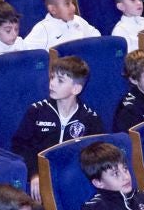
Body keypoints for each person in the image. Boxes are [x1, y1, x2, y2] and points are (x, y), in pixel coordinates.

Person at [10, 55, 104, 191]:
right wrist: (34, 173)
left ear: (76, 89)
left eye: (60, 80)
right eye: (52, 77)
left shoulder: (90, 118)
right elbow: (20, 146)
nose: (52, 83)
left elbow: (96, 153)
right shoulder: (36, 111)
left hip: (73, 179)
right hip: (40, 174)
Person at [19, 0, 101, 50]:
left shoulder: (78, 20)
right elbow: (26, 50)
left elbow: (96, 36)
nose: (73, 7)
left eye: (72, 2)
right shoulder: (43, 29)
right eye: (67, 4)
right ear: (53, 9)